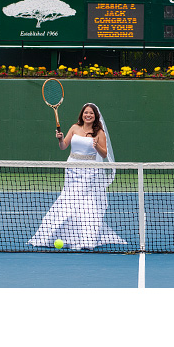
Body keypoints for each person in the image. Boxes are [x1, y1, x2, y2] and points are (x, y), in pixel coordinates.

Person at [28, 103, 127, 249]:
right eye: (86, 112)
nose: (88, 115)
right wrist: (60, 139)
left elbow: (104, 154)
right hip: (72, 169)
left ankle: (87, 239)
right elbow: (64, 146)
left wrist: (96, 145)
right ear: (82, 114)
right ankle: (53, 235)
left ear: (95, 116)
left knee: (86, 203)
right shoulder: (74, 128)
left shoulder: (99, 132)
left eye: (91, 113)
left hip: (90, 172)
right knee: (68, 200)